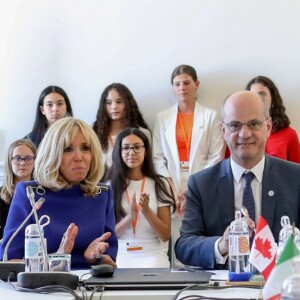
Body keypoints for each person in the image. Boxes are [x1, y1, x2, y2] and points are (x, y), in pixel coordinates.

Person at [175, 91, 300, 269]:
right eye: (235, 125)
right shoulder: (201, 184)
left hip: (281, 287)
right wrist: (222, 244)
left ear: (269, 127)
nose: (245, 133)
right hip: (222, 290)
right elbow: (185, 245)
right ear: (223, 131)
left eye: (254, 124)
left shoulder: (295, 178)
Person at [0, 117, 118, 269]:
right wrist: (57, 258)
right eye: (68, 149)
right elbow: (8, 261)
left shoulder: (102, 194)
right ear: (52, 154)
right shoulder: (29, 193)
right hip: (42, 289)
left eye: (85, 148)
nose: (79, 157)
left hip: (91, 288)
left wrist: (96, 258)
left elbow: (111, 262)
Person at [152, 65, 225, 265]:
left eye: (186, 82)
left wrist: (193, 185)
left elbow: (216, 155)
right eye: (177, 84)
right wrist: (173, 189)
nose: (182, 88)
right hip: (171, 185)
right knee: (177, 236)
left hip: (203, 180)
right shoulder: (162, 118)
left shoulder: (211, 116)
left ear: (196, 84)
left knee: (199, 229)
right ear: (172, 88)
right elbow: (157, 158)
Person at [107, 128, 175, 268]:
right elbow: (108, 236)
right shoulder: (110, 186)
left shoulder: (160, 184)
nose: (131, 152)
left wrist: (146, 211)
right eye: (126, 148)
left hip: (154, 252)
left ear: (146, 151)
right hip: (121, 253)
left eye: (137, 147)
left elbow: (165, 235)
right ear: (119, 152)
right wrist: (130, 217)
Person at [92, 83, 151, 179]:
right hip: (102, 188)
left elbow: (148, 167)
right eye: (109, 103)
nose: (114, 107)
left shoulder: (142, 133)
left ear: (128, 104)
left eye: (119, 102)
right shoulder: (95, 133)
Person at [245, 75, 300, 163]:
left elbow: (297, 171)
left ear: (273, 98)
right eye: (253, 95)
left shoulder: (289, 134)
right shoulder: (240, 133)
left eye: (262, 94)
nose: (258, 99)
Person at [0, 139, 36, 239]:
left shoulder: (43, 192)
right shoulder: (1, 194)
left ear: (35, 161)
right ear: (9, 161)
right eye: (17, 158)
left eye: (28, 158)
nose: (22, 163)